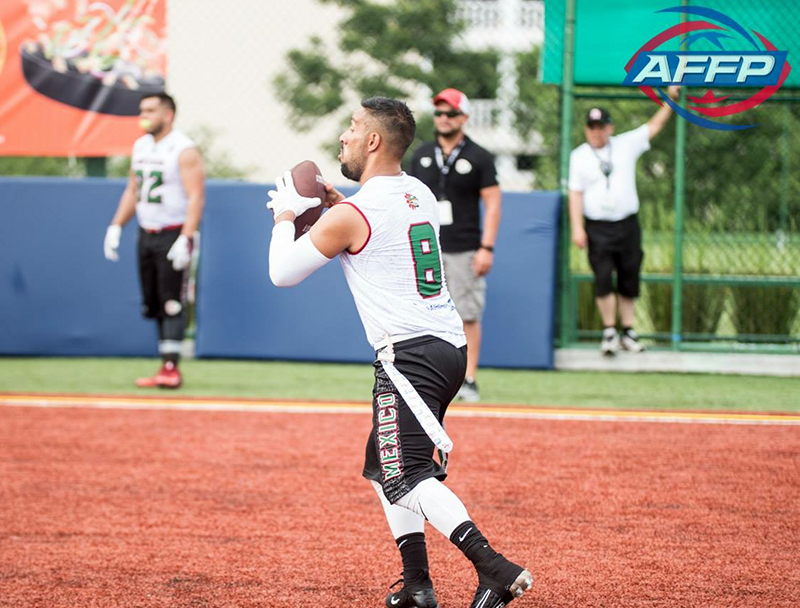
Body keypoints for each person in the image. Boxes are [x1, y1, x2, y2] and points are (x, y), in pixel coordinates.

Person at [267, 97, 532, 608]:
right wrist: (336, 202)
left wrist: (285, 215)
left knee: (406, 472)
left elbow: (282, 272)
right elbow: (375, 220)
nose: (343, 136)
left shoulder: (353, 212)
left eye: (352, 127)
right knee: (383, 466)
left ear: (373, 141)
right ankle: (416, 585)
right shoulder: (419, 193)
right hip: (448, 348)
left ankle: (494, 567)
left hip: (408, 356)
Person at [103, 92, 205, 388]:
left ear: (168, 114)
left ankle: (171, 369)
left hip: (173, 232)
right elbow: (133, 189)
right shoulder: (141, 145)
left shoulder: (183, 149)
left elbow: (196, 195)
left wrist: (186, 237)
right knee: (154, 302)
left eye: (150, 110)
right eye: (141, 109)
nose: (143, 115)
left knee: (173, 301)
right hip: (146, 232)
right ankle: (165, 366)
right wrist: (116, 225)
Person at [568, 86, 679, 356]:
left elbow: (653, 126)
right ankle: (609, 331)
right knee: (603, 277)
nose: (596, 131)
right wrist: (577, 227)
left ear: (609, 127)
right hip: (597, 225)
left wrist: (670, 100)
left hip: (626, 223)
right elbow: (575, 192)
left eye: (600, 126)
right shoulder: (579, 156)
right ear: (586, 128)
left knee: (630, 276)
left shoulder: (624, 145)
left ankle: (628, 330)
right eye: (591, 126)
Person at [408, 88, 501, 403]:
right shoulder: (421, 154)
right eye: (439, 113)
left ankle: (469, 378)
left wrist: (486, 246)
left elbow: (493, 203)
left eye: (450, 113)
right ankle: (429, 379)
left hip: (464, 246)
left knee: (467, 314)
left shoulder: (479, 156)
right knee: (423, 314)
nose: (443, 119)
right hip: (425, 248)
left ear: (464, 117)